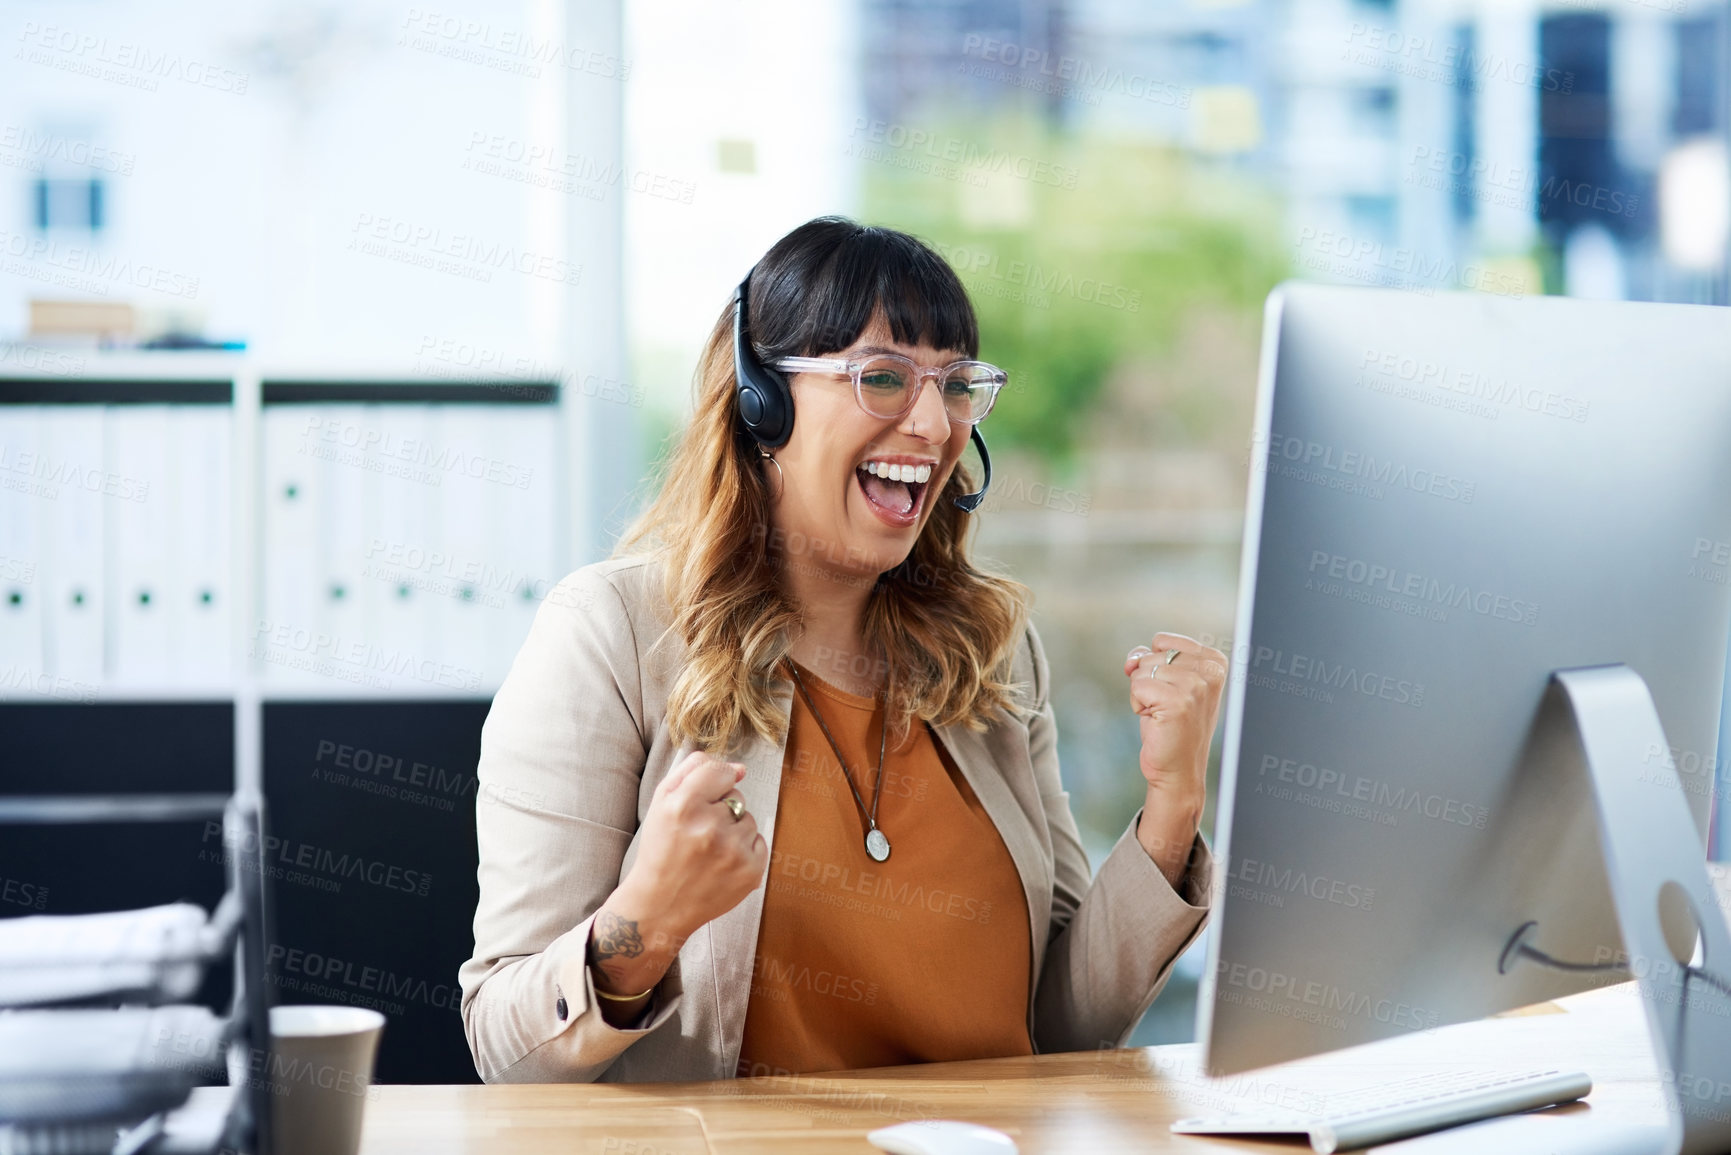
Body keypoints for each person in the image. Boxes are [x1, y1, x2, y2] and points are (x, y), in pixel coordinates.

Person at [458, 216, 1226, 1083]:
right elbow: (505, 1051)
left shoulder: (992, 655)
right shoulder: (611, 635)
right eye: (885, 378)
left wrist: (1171, 808)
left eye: (957, 384)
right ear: (762, 404)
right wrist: (644, 924)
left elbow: (1058, 1025)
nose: (935, 425)